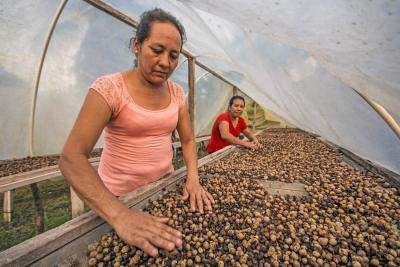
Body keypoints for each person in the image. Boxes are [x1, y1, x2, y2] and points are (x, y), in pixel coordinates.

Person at [59, 8, 214, 257]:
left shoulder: (176, 93)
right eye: (157, 50)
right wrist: (121, 215)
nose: (166, 62)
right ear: (137, 45)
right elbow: (71, 158)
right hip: (115, 200)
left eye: (174, 56)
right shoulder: (109, 89)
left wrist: (193, 179)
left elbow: (187, 139)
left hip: (163, 191)